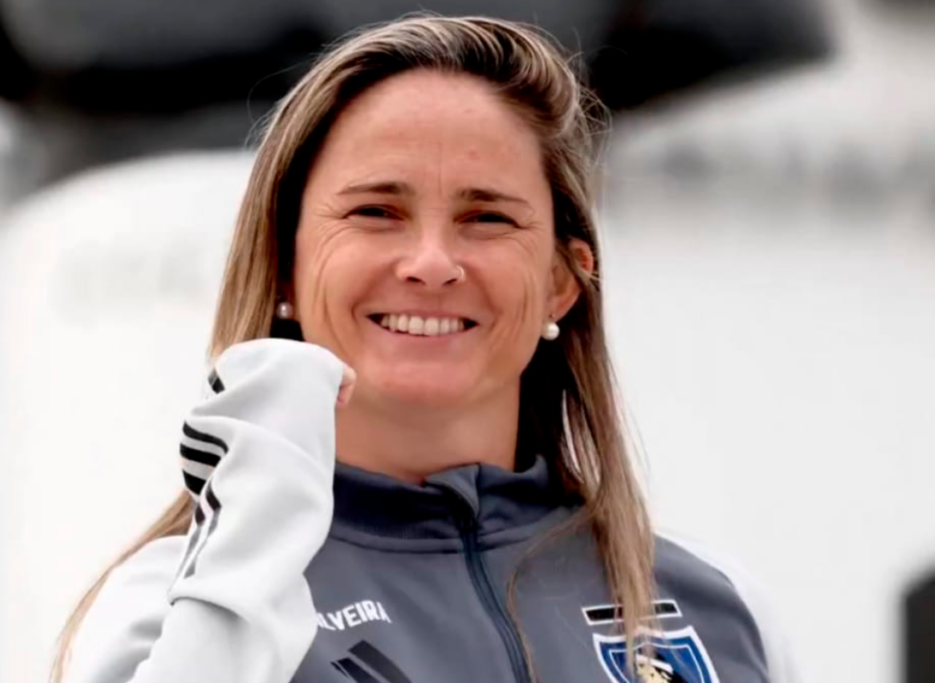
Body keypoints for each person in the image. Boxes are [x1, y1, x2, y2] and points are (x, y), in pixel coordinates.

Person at [51, 15, 797, 683]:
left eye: (487, 217)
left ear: (563, 281)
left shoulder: (714, 606)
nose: (433, 261)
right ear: (285, 265)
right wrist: (256, 533)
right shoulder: (180, 604)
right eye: (377, 211)